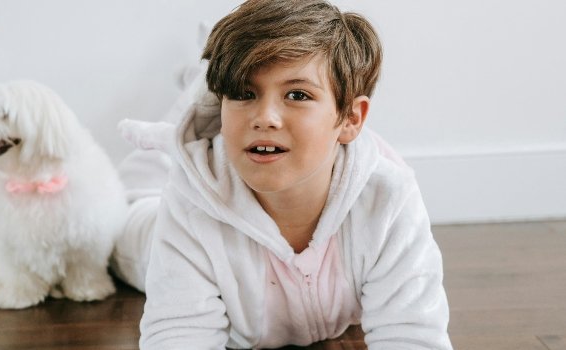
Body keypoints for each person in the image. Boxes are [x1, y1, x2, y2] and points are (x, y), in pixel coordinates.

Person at [110, 0, 453, 348]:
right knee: (122, 216)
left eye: (297, 94)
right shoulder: (189, 205)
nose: (266, 117)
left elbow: (413, 334)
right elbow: (178, 335)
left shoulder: (388, 200)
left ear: (351, 119)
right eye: (244, 92)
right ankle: (200, 87)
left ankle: (209, 78)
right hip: (146, 216)